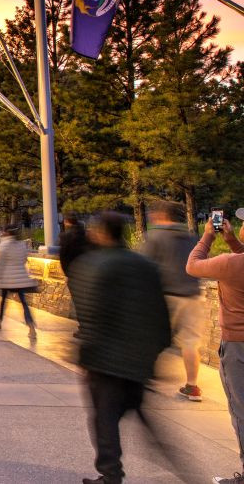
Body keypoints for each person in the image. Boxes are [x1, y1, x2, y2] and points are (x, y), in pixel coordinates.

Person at [69, 212, 170, 484]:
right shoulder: (146, 265)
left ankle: (111, 473)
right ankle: (172, 462)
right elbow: (160, 313)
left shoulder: (92, 264)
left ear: (101, 233)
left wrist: (83, 352)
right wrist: (157, 351)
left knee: (105, 418)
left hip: (104, 360)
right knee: (132, 412)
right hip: (138, 359)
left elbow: (89, 312)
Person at [186, 216, 244, 484]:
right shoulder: (236, 260)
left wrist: (209, 235)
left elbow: (193, 266)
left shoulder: (230, 264)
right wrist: (232, 241)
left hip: (238, 347)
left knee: (241, 410)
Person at [137, 200, 202, 402]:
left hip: (166, 295)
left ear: (162, 215)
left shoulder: (156, 237)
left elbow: (142, 266)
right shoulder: (192, 238)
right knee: (191, 342)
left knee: (154, 336)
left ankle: (147, 376)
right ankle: (192, 386)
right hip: (193, 294)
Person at [0, 223, 39, 340]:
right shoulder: (21, 245)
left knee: (2, 301)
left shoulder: (4, 245)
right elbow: (24, 259)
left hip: (7, 279)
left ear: (6, 232)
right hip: (21, 279)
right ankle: (31, 326)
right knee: (23, 304)